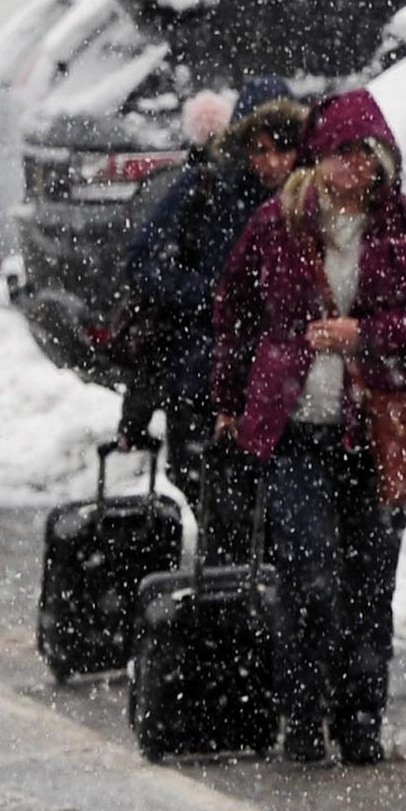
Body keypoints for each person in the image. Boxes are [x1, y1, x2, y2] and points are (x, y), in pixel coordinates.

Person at [208, 89, 406, 766]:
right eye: (344, 153)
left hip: (378, 427)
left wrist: (367, 334)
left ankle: (359, 723)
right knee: (307, 573)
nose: (356, 167)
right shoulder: (277, 224)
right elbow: (234, 310)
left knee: (370, 582)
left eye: (368, 154)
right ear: (317, 159)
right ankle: (300, 716)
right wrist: (229, 400)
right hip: (297, 428)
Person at [116, 81, 306, 521]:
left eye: (284, 147)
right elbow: (144, 265)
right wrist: (214, 298)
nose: (271, 162)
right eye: (259, 148)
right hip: (202, 375)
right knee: (214, 493)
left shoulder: (310, 201)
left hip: (282, 384)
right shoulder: (205, 189)